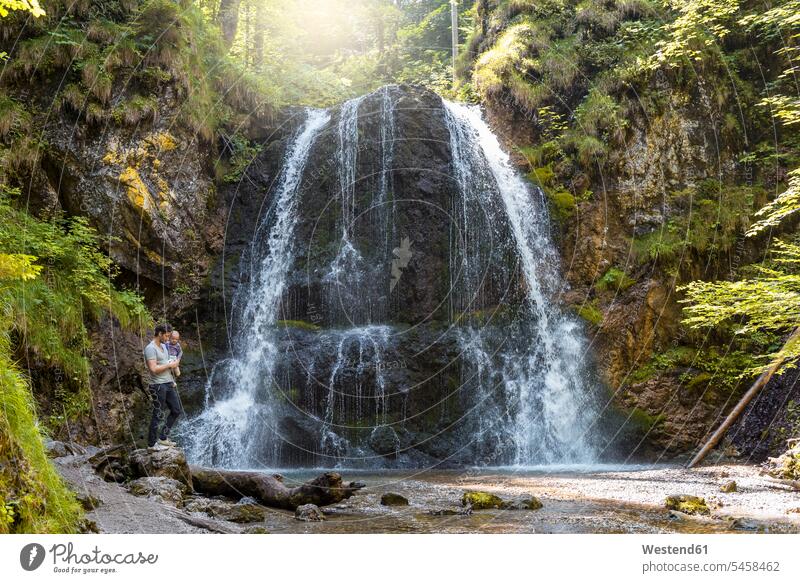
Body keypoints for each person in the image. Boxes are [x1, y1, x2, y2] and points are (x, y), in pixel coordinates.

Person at [143, 324, 182, 447]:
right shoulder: (150, 348)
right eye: (166, 335)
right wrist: (170, 365)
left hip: (168, 383)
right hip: (158, 385)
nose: (168, 338)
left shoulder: (165, 347)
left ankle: (163, 437)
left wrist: (173, 371)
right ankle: (151, 444)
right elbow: (153, 368)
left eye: (169, 336)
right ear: (159, 334)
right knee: (158, 414)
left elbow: (166, 363)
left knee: (176, 410)